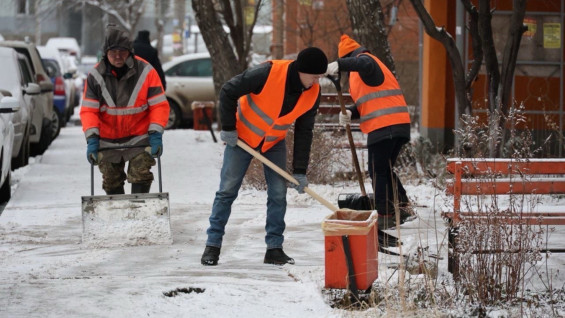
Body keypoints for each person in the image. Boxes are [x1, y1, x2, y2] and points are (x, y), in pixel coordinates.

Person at [201, 47, 328, 266]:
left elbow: (304, 131)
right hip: (242, 139)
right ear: (301, 70)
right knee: (227, 191)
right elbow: (228, 90)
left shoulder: (313, 93)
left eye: (320, 77)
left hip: (273, 142)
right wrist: (229, 128)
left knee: (278, 194)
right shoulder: (268, 73)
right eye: (314, 76)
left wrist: (299, 171)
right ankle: (212, 245)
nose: (317, 81)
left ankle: (274, 249)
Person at [326, 34, 413, 230]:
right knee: (384, 168)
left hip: (385, 124)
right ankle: (403, 206)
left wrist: (340, 64)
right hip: (395, 123)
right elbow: (368, 101)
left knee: (377, 170)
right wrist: (350, 111)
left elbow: (363, 63)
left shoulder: (366, 61)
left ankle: (385, 215)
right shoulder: (360, 74)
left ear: (349, 57)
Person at [80, 24, 170, 195]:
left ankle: (138, 211)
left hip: (139, 137)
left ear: (130, 52)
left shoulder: (146, 72)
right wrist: (92, 139)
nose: (118, 56)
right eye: (113, 52)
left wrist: (156, 133)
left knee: (141, 174)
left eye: (122, 51)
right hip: (108, 140)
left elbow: (159, 105)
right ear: (106, 53)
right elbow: (89, 111)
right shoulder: (95, 76)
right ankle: (118, 214)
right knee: (111, 178)